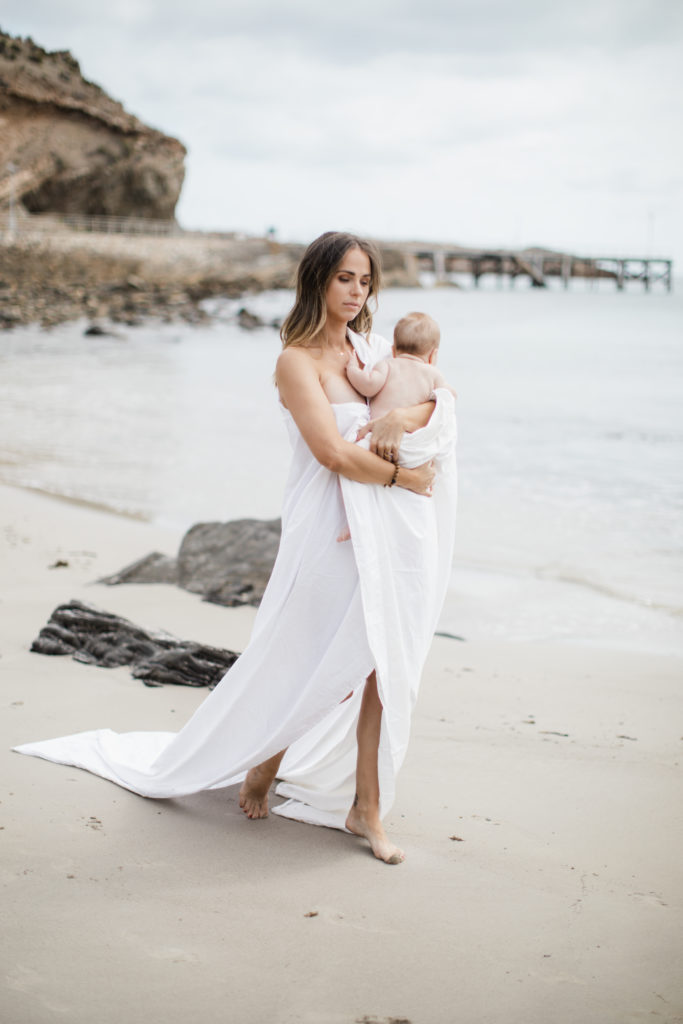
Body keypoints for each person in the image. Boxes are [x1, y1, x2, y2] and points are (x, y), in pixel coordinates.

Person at [14, 231, 457, 866]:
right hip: (326, 526)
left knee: (380, 665)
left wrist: (398, 423)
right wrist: (402, 476)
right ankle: (260, 765)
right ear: (317, 283)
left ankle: (367, 808)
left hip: (383, 531)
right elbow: (330, 454)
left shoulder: (376, 352)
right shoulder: (295, 362)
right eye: (344, 280)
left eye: (365, 281)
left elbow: (438, 401)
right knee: (299, 655)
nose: (357, 293)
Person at [336, 310, 455, 543]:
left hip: (377, 442)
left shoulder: (387, 365)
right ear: (433, 355)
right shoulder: (433, 373)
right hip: (410, 446)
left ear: (393, 348)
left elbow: (368, 386)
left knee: (357, 475)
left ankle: (352, 522)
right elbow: (446, 401)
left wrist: (352, 370)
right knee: (427, 462)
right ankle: (419, 495)